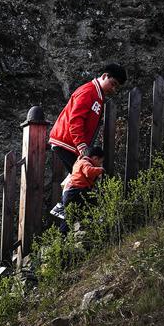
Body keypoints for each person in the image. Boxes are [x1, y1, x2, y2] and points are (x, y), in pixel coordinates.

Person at [48, 63, 126, 218]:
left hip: (72, 144)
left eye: (116, 87)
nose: (113, 89)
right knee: (82, 180)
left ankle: (73, 214)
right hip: (66, 142)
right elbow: (75, 120)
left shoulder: (97, 95)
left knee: (78, 181)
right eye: (113, 84)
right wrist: (82, 147)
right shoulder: (88, 91)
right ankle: (69, 212)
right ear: (104, 76)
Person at [58, 146, 105, 234]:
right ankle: (91, 225)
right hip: (76, 191)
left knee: (68, 217)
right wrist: (100, 170)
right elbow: (88, 171)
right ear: (95, 158)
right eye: (100, 162)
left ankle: (62, 237)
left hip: (69, 193)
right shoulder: (85, 163)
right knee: (93, 202)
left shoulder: (78, 162)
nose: (100, 164)